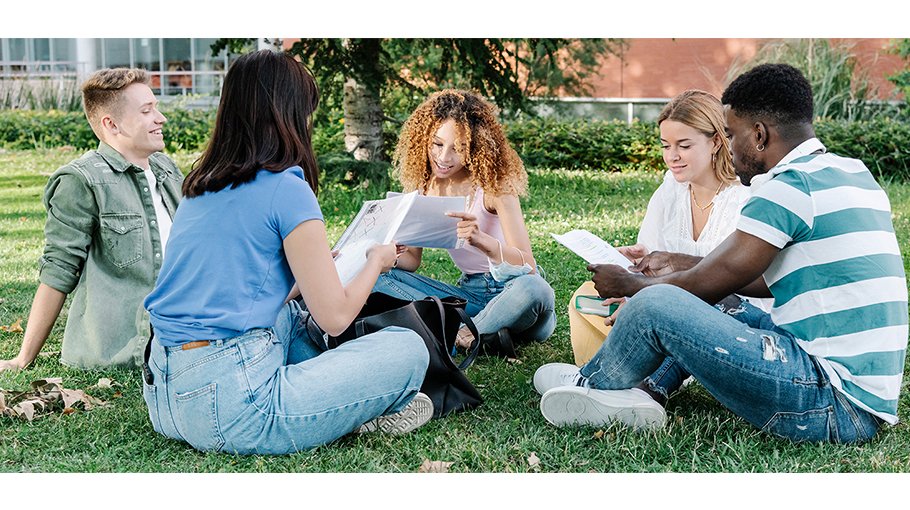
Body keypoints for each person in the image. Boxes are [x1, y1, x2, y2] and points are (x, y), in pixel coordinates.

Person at [534, 63, 907, 443]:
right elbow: (760, 279)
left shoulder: (786, 188)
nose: (727, 147)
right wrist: (680, 262)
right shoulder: (852, 173)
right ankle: (644, 391)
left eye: (730, 134)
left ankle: (591, 383)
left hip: (829, 403)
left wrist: (630, 284)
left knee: (658, 302)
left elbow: (708, 282)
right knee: (719, 299)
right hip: (857, 397)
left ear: (759, 135)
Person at [141, 50, 431, 455]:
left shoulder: (201, 185)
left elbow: (237, 289)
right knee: (407, 348)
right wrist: (376, 263)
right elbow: (335, 318)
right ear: (290, 114)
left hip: (164, 394)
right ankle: (360, 403)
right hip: (233, 407)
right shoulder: (287, 189)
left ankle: (344, 397)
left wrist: (312, 274)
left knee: (289, 313)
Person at [0, 68, 182, 372]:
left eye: (156, 108)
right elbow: (59, 269)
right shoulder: (82, 180)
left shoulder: (166, 169)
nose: (160, 118)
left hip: (184, 334)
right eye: (147, 111)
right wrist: (23, 358)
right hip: (124, 350)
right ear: (111, 124)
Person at [568, 90, 753, 371]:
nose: (672, 156)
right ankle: (616, 363)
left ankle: (616, 371)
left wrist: (647, 298)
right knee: (585, 298)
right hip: (663, 299)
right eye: (666, 146)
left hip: (723, 315)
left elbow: (735, 284)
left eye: (684, 146)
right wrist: (636, 263)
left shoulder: (743, 197)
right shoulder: (671, 188)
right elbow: (649, 256)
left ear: (716, 141)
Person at [372, 89, 555, 358]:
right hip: (472, 296)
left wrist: (483, 242)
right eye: (437, 144)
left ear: (475, 146)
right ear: (423, 139)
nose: (444, 158)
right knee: (376, 275)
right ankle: (485, 335)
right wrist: (388, 252)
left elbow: (528, 266)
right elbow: (412, 261)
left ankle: (461, 335)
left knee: (536, 288)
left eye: (457, 148)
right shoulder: (422, 187)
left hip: (517, 297)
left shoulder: (494, 186)